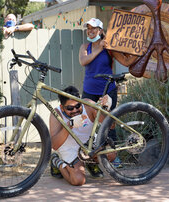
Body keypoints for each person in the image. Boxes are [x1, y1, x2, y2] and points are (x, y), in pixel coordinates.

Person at [79, 18, 141, 169]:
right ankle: (91, 157)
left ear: (100, 31)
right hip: (88, 91)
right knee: (86, 124)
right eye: (88, 28)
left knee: (109, 123)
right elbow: (83, 61)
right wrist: (99, 48)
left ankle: (114, 158)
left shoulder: (109, 47)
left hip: (107, 90)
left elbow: (126, 59)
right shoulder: (85, 47)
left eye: (94, 28)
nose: (91, 31)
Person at [49, 86, 116, 186]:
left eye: (78, 106)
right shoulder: (56, 114)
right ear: (62, 107)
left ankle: (89, 162)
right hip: (69, 147)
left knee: (111, 154)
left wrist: (107, 108)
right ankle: (56, 161)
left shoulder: (88, 105)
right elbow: (54, 145)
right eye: (70, 108)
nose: (75, 110)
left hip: (89, 144)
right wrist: (70, 125)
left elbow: (111, 125)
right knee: (78, 181)